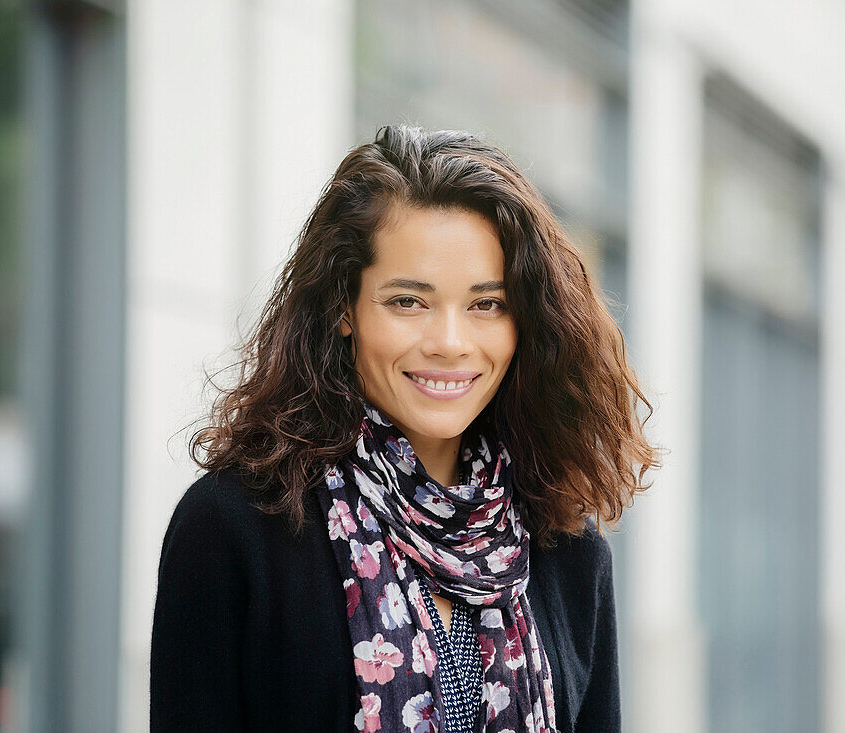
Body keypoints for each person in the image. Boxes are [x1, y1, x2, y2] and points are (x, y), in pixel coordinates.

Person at [150, 125, 658, 733]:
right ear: (344, 308)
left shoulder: (565, 544)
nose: (449, 342)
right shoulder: (236, 529)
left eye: (486, 304)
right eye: (408, 302)